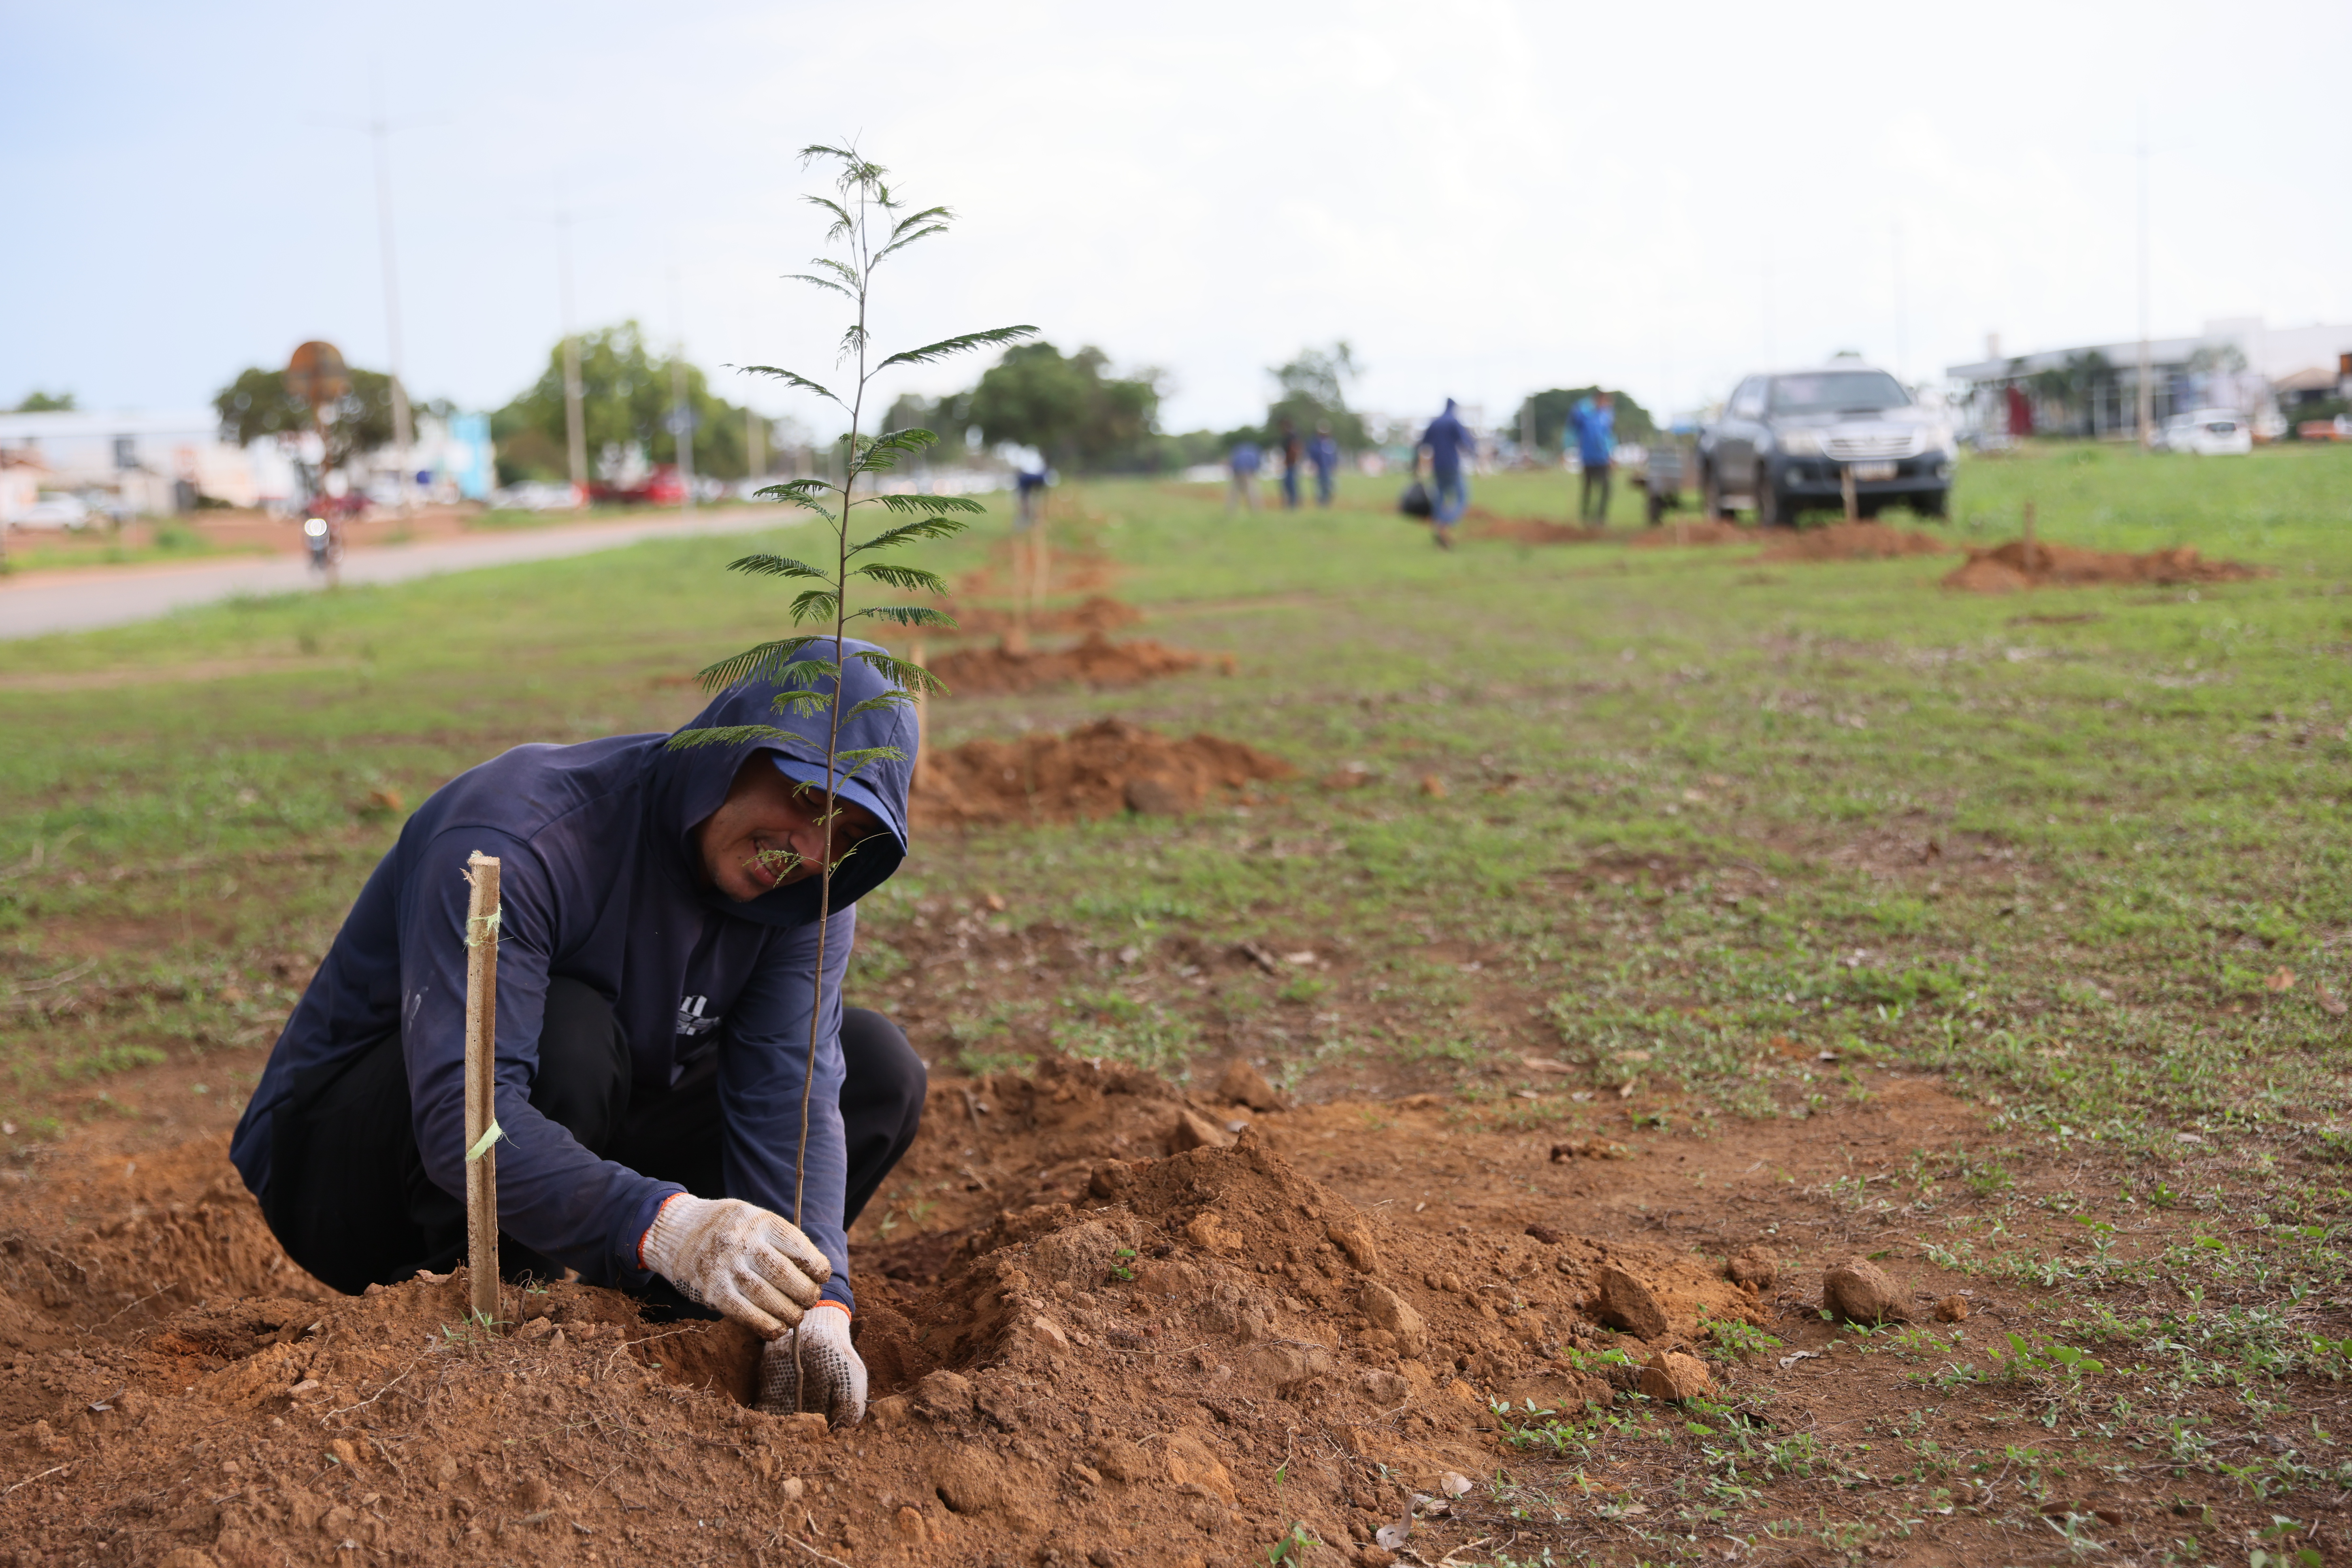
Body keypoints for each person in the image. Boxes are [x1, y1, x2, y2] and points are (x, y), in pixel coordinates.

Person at [229, 643, 926, 1429]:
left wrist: (817, 1302)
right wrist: (666, 1225)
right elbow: (466, 1117)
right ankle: (486, 1348)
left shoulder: (807, 894)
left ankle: (664, 1346)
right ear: (731, 753)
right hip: (355, 1174)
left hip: (585, 1128)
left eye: (848, 832)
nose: (810, 849)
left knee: (876, 1069)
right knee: (571, 1032)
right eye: (807, 797)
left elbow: (787, 1093)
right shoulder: (521, 831)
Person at [1417, 398, 1476, 548]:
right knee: (1462, 497)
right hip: (1452, 466)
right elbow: (1465, 442)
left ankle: (1440, 528)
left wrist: (1417, 464)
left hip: (1437, 467)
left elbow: (1423, 443)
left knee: (1440, 498)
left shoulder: (1435, 423)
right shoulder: (1453, 422)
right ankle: (1445, 523)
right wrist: (1475, 452)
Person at [1570, 392, 1617, 523]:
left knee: (1606, 489)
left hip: (1603, 459)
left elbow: (1609, 436)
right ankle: (1585, 516)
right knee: (1588, 488)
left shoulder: (1606, 416)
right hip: (1588, 458)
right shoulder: (1585, 415)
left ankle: (1600, 517)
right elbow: (1574, 421)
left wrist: (1611, 455)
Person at [1226, 439, 1261, 514]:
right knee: (1252, 492)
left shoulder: (1238, 451)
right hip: (1248, 473)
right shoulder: (1253, 452)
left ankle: (1231, 511)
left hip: (1237, 473)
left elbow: (1233, 462)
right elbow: (1256, 464)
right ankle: (1255, 510)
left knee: (1234, 493)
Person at [1308, 424, 1340, 507]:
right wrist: (1313, 465)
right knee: (1320, 486)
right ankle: (1321, 502)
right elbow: (1313, 455)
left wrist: (1334, 465)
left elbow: (1333, 456)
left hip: (1329, 468)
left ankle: (1327, 501)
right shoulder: (1316, 444)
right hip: (1320, 468)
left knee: (1329, 486)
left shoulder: (1331, 443)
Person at [1277, 419, 1303, 510]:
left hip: (1291, 464)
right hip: (1290, 464)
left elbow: (1294, 450)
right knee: (1290, 484)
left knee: (1291, 485)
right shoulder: (1292, 436)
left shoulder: (1291, 436)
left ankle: (1293, 504)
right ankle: (1292, 503)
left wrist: (1289, 461)